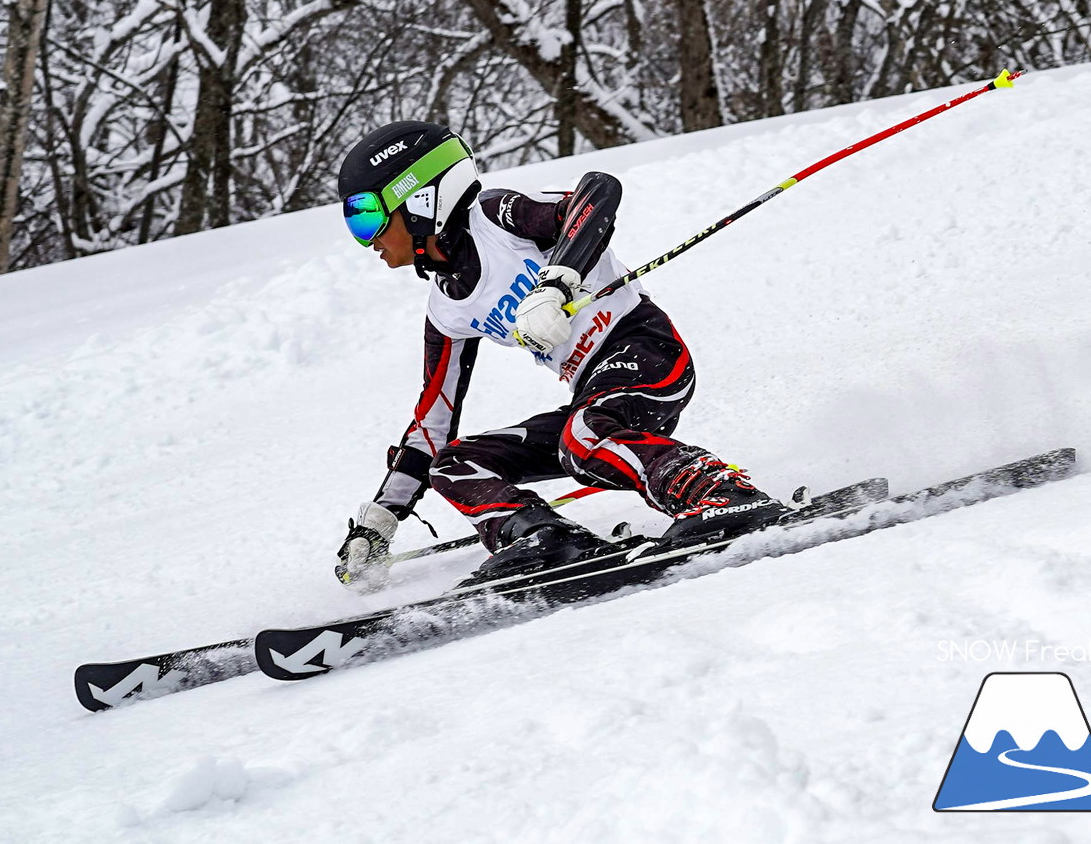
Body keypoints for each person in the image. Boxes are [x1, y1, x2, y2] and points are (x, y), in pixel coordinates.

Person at [334, 121, 788, 589]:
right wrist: (382, 519)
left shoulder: (495, 218)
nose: (368, 240)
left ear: (420, 200)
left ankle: (720, 495)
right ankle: (540, 539)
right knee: (452, 463)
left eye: (368, 217)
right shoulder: (446, 307)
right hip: (592, 400)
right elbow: (433, 421)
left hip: (645, 351)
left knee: (583, 436)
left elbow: (597, 192)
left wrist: (556, 284)